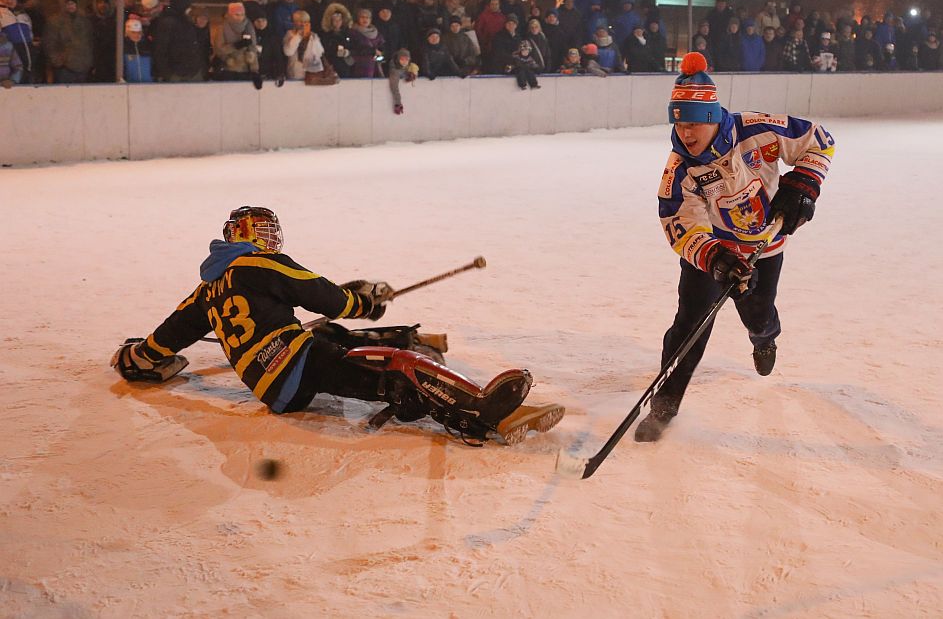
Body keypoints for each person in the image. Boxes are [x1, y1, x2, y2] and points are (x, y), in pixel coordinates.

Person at [109, 206, 553, 443]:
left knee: (324, 334)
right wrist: (365, 302)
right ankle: (481, 410)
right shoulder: (261, 264)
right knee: (392, 368)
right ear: (243, 235)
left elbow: (168, 336)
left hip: (272, 384)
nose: (269, 239)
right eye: (261, 231)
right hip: (296, 363)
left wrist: (138, 356)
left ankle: (413, 345)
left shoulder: (207, 289)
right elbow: (324, 296)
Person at [634, 52, 834, 442]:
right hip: (715, 253)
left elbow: (820, 141)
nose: (685, 134)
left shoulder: (759, 130)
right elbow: (680, 224)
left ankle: (765, 337)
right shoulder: (681, 169)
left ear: (711, 118)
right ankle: (664, 406)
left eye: (693, 123)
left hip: (765, 247)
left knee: (757, 315)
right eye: (679, 124)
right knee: (689, 326)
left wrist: (803, 185)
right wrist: (715, 258)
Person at [282, 10, 325, 81]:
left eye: (305, 22)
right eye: (300, 21)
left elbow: (320, 53)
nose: (303, 24)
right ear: (294, 22)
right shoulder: (289, 34)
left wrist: (314, 40)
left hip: (311, 73)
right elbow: (288, 52)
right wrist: (298, 36)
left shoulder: (313, 35)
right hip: (295, 74)